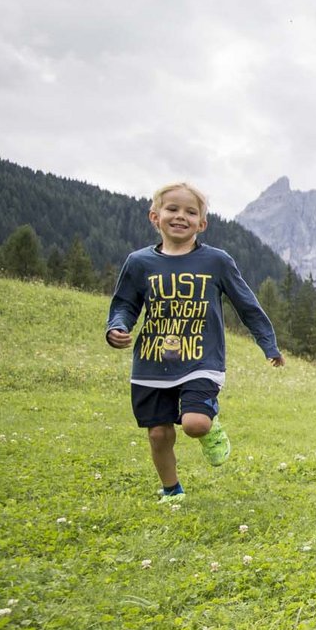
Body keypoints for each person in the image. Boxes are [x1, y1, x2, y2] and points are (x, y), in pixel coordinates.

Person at [106, 182, 283, 503]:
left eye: (190, 212)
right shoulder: (139, 262)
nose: (180, 216)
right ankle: (172, 489)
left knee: (195, 424)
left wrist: (268, 344)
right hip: (151, 362)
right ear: (154, 216)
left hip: (202, 359)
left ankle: (210, 425)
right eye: (172, 209)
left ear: (202, 224)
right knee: (159, 433)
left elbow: (247, 305)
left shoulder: (217, 261)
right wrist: (117, 326)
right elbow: (125, 304)